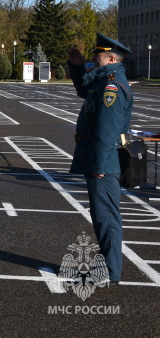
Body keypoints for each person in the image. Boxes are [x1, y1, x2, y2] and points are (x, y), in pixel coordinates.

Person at [68, 33, 133, 283]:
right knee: (101, 216)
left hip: (103, 162)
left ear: (112, 58)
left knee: (106, 217)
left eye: (98, 56)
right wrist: (76, 66)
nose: (94, 60)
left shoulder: (111, 86)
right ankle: (109, 268)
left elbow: (107, 131)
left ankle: (110, 270)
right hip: (98, 159)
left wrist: (99, 166)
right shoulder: (103, 79)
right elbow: (84, 87)